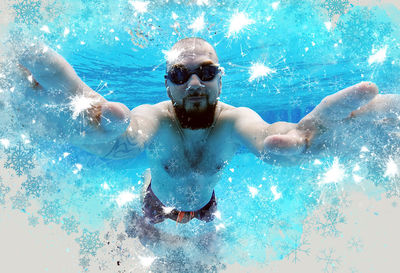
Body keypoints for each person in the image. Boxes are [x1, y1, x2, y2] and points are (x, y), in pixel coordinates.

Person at [16, 37, 391, 225]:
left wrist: (303, 136)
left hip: (206, 208)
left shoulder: (234, 120)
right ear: (167, 85)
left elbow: (267, 136)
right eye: (180, 74)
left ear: (220, 82)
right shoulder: (155, 117)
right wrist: (103, 136)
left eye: (206, 72)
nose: (194, 83)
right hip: (155, 204)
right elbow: (131, 135)